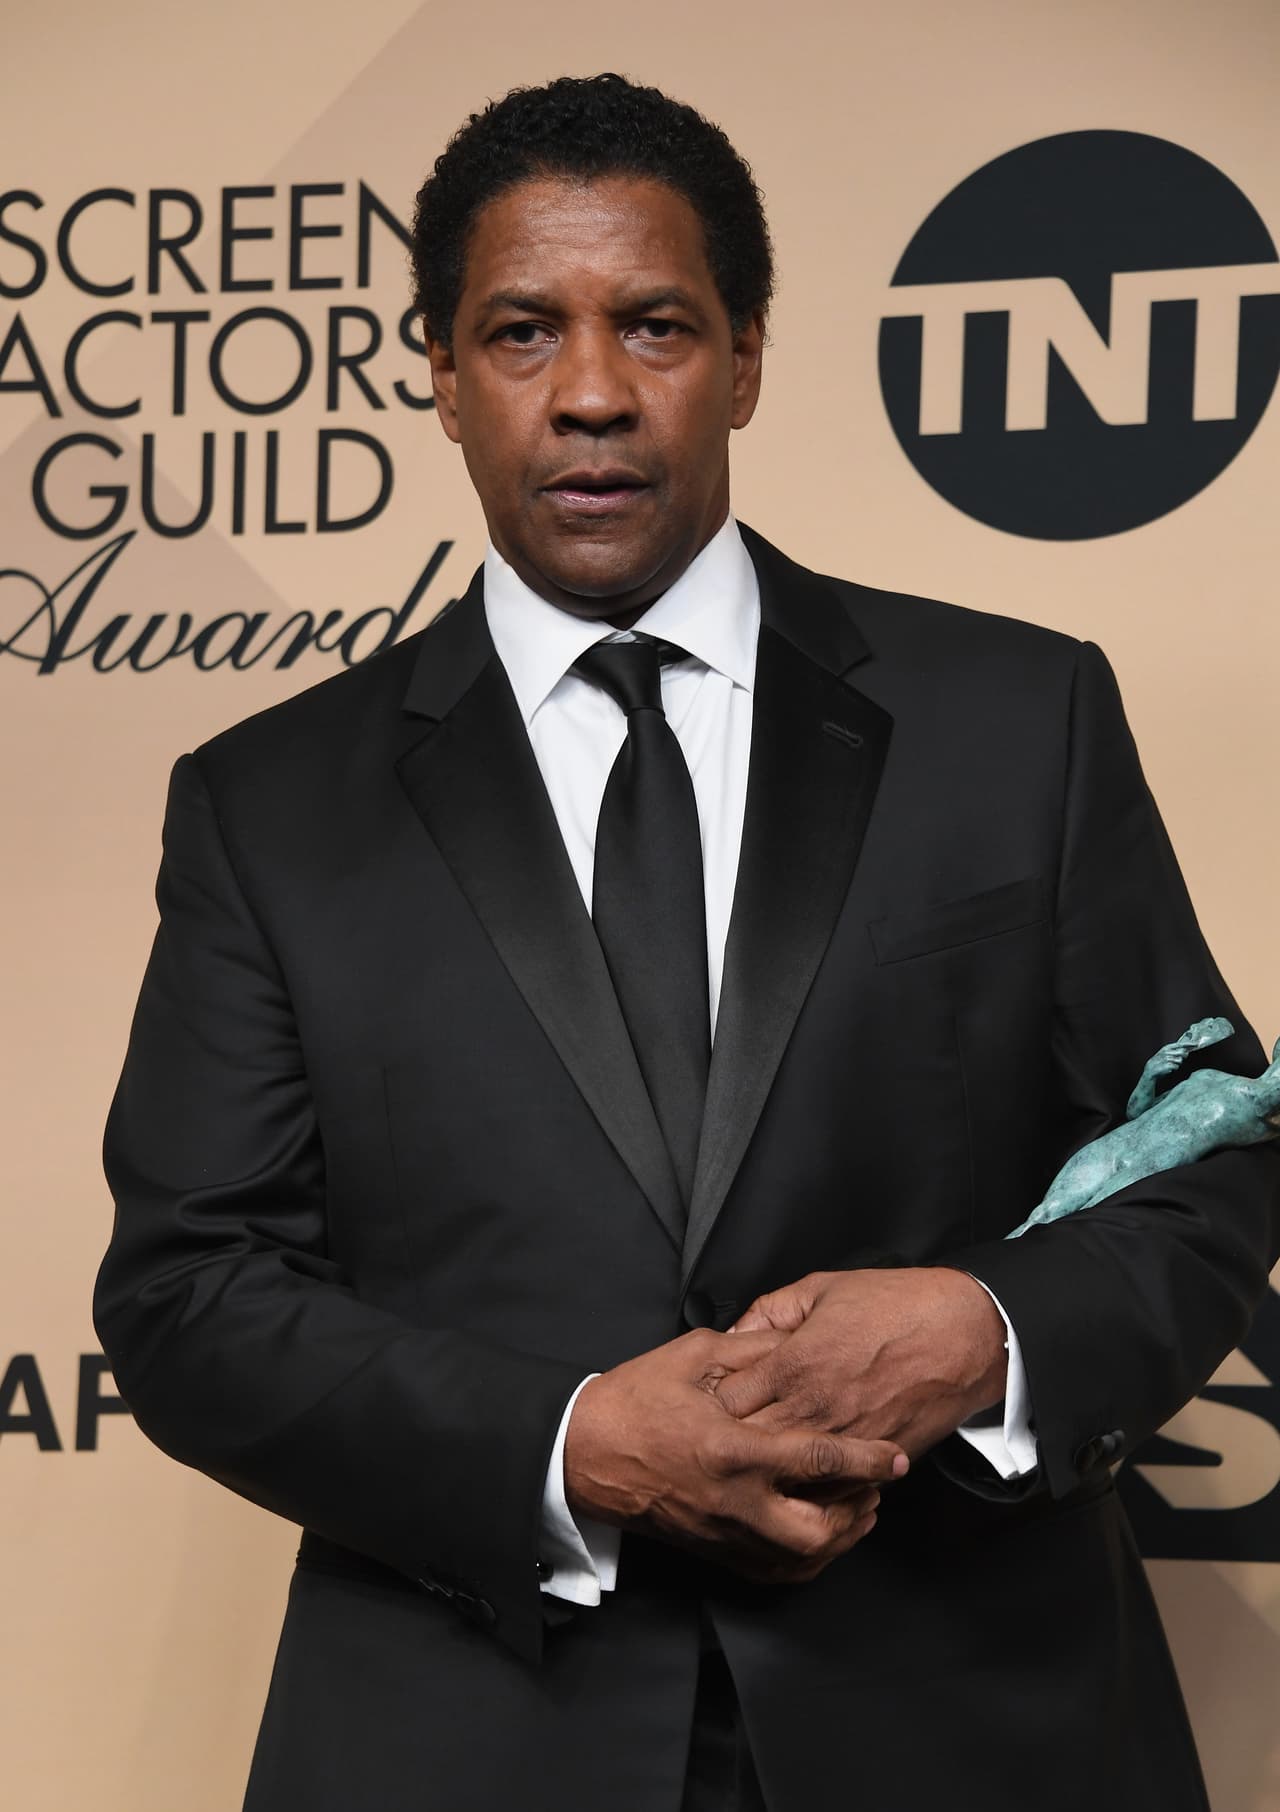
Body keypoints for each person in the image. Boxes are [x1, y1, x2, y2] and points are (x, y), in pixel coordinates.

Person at [94, 73, 1280, 1812]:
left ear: (744, 357)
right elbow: (188, 1291)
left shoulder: (1021, 720)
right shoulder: (267, 805)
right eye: (520, 331)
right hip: (475, 1732)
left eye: (653, 324)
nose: (589, 392)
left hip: (978, 1722)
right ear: (437, 366)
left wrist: (986, 1328)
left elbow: (1216, 1156)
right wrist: (574, 1446)